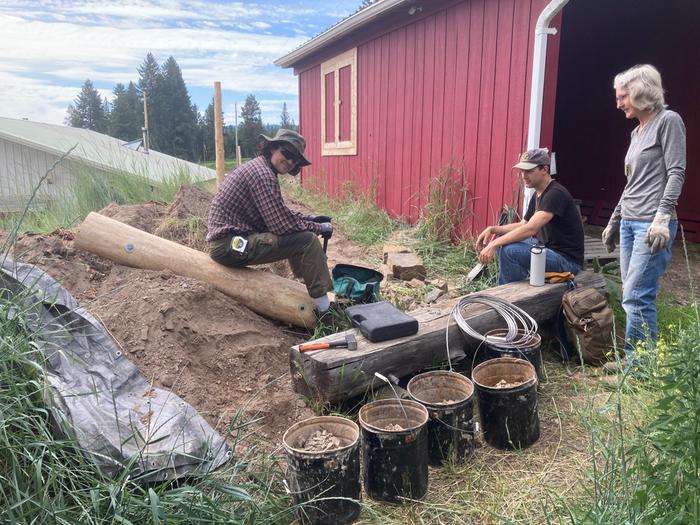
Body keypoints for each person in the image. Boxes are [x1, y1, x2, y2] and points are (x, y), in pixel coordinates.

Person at [602, 64, 686, 360]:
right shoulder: (637, 133)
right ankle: (635, 358)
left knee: (637, 296)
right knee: (632, 295)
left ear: (641, 93)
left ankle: (639, 368)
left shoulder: (668, 121)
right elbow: (632, 183)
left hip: (652, 225)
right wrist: (615, 220)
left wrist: (663, 217)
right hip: (629, 222)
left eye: (623, 96)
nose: (618, 103)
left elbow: (676, 172)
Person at [205, 128, 334, 319]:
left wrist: (310, 218)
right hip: (229, 246)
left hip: (232, 241)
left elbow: (278, 213)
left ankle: (304, 284)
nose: (290, 162)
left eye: (295, 159)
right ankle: (325, 313)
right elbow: (281, 226)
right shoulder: (263, 175)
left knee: (300, 234)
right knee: (307, 240)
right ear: (272, 148)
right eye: (287, 154)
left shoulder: (262, 168)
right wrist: (318, 228)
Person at [476, 148, 584, 285]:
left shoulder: (556, 193)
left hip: (567, 262)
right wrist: (493, 230)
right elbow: (523, 224)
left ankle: (508, 295)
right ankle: (516, 285)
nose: (523, 175)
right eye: (522, 171)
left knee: (510, 251)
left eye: (529, 171)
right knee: (503, 240)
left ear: (544, 169)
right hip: (548, 250)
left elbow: (531, 229)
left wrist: (494, 244)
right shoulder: (539, 193)